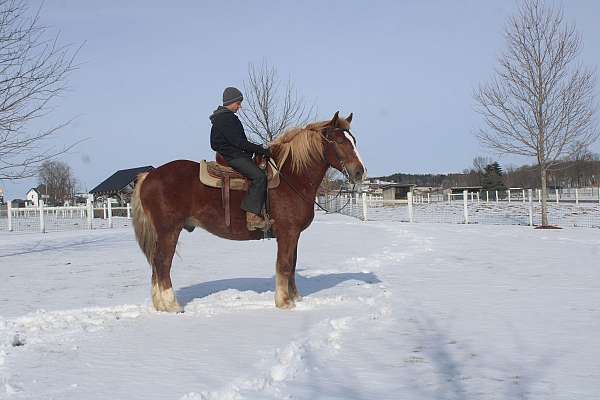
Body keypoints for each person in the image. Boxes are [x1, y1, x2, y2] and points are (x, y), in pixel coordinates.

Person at [209, 87, 272, 231]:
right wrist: (261, 149)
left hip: (231, 153)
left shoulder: (221, 117)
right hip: (233, 156)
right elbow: (239, 142)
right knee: (259, 177)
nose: (239, 106)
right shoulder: (226, 118)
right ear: (230, 102)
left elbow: (219, 142)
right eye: (238, 103)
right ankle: (252, 218)